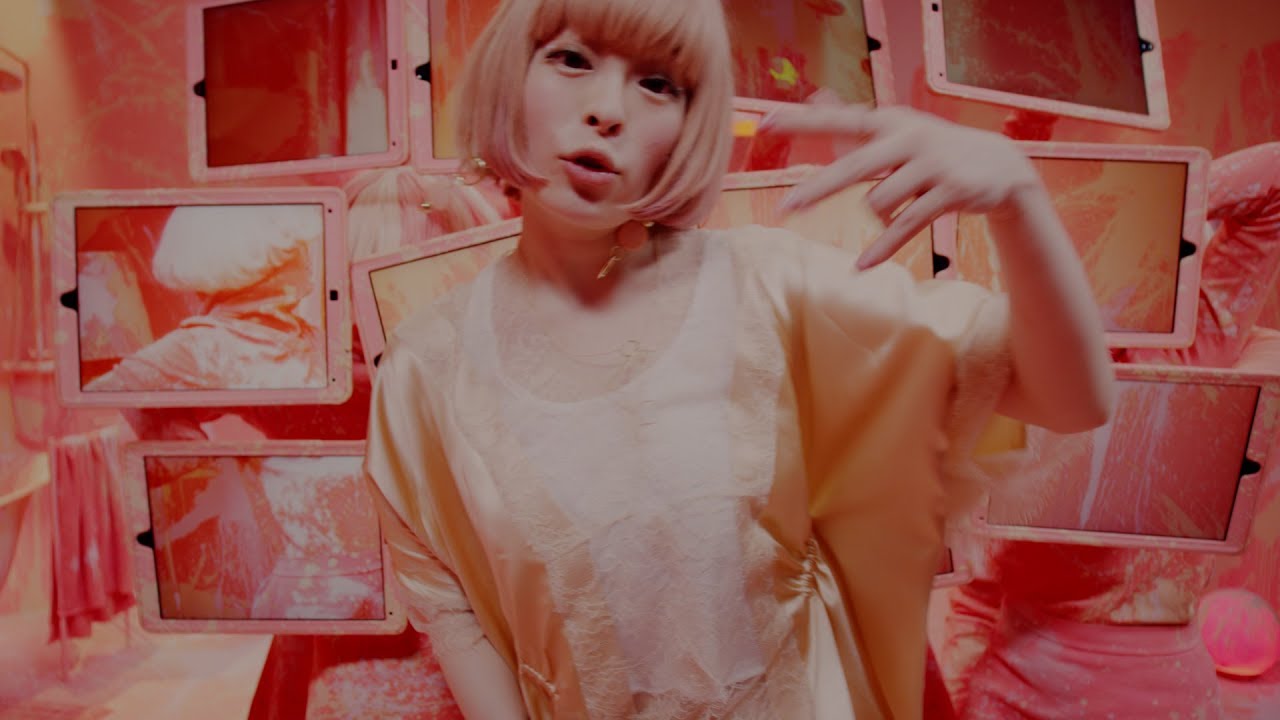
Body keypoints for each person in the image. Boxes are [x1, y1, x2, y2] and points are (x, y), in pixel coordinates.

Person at [362, 0, 1113, 717]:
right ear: (509, 70)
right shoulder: (427, 370)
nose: (608, 109)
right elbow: (452, 607)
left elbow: (1070, 398)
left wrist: (1018, 200)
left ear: (693, 120)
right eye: (572, 59)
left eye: (658, 83)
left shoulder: (766, 291)